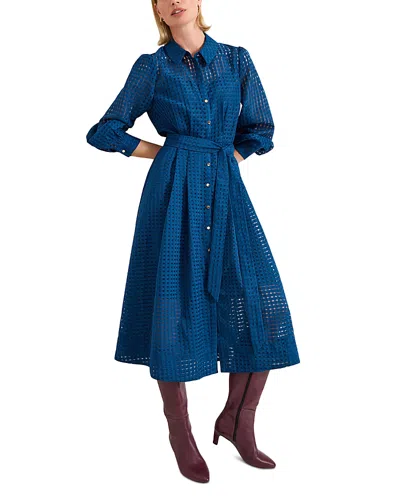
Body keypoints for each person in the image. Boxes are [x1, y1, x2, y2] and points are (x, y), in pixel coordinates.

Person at [86, 0, 300, 483]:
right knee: (173, 302)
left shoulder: (236, 60)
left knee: (259, 304)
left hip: (227, 190)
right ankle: (179, 432)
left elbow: (260, 129)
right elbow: (104, 131)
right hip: (172, 193)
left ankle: (238, 421)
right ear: (158, 10)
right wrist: (166, 154)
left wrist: (226, 160)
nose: (174, 0)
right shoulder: (152, 67)